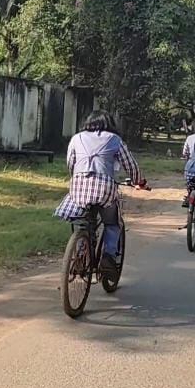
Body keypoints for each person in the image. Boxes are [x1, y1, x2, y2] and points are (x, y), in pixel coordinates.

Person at [54, 110, 147, 279]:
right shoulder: (115, 140)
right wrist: (139, 181)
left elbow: (70, 163)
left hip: (78, 186)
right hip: (104, 189)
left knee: (83, 223)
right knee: (112, 224)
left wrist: (76, 179)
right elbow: (130, 166)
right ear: (110, 124)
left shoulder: (76, 138)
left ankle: (80, 253)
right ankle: (108, 257)